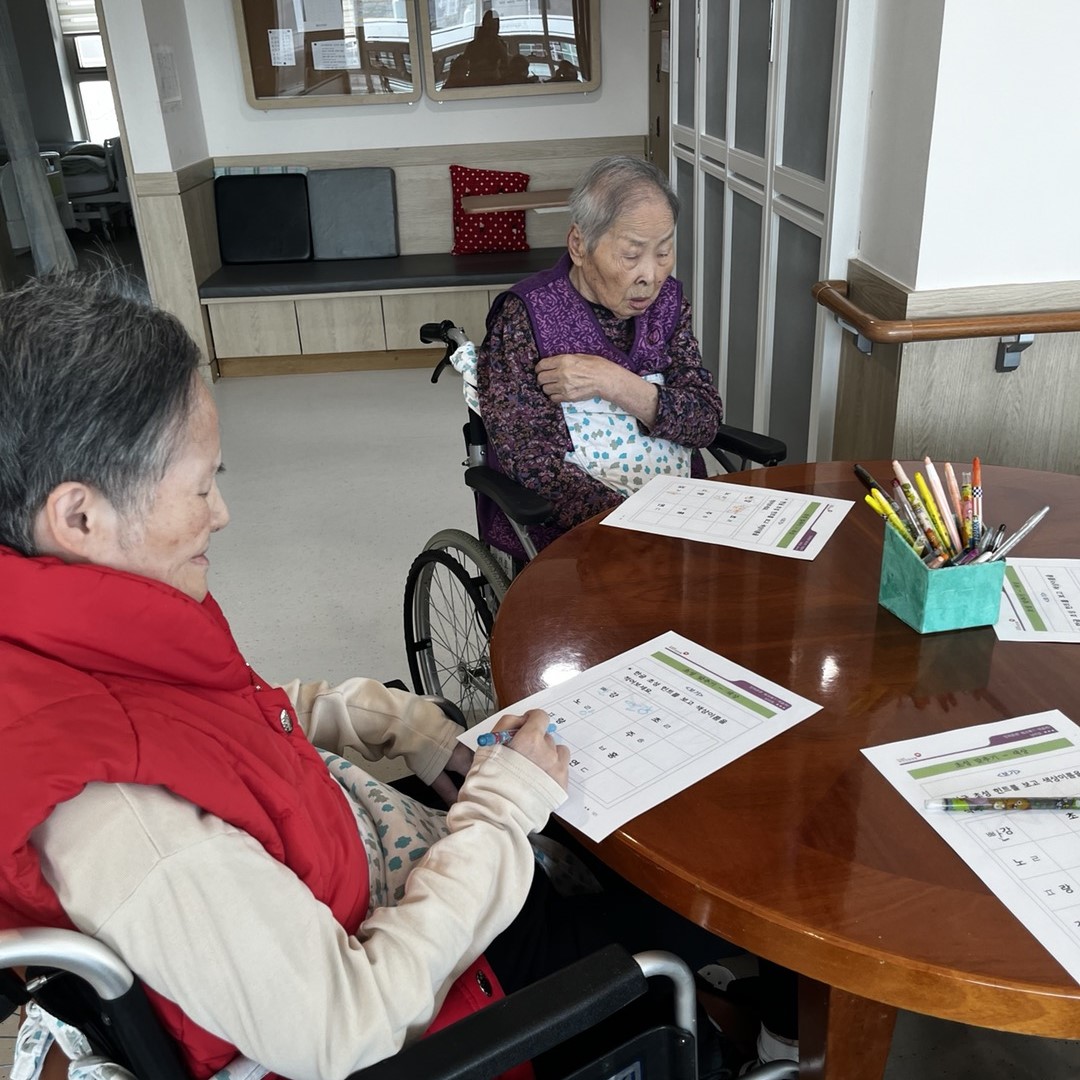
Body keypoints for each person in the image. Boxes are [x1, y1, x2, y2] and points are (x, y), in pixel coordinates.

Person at [0, 271, 754, 1080]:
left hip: (385, 857)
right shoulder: (126, 830)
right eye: (201, 486)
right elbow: (347, 1024)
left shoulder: (68, 648)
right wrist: (502, 808)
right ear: (80, 516)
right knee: (701, 913)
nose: (221, 513)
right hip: (446, 986)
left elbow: (230, 723)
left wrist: (401, 724)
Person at [476, 155, 725, 553]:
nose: (651, 276)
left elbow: (704, 423)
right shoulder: (526, 317)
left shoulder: (668, 305)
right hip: (581, 531)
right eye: (632, 255)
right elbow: (533, 462)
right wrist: (634, 523)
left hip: (679, 512)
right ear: (579, 244)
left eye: (663, 252)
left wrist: (615, 383)